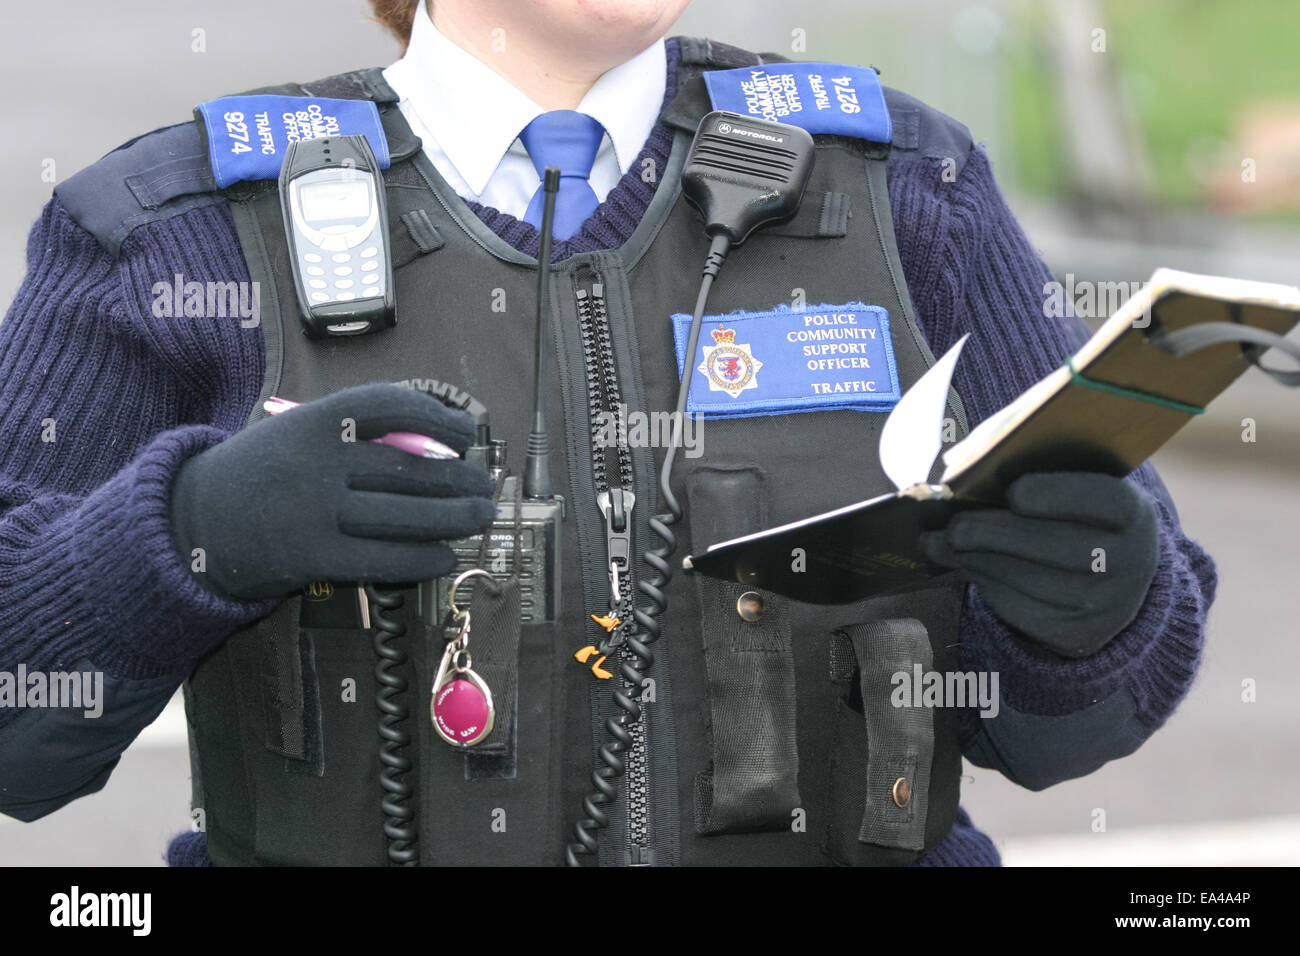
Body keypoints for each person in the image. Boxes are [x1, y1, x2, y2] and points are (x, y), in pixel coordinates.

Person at [0, 0, 1215, 866]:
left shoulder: (907, 191)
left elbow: (1083, 724)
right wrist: (190, 529)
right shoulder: (167, 232)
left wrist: (1095, 602)